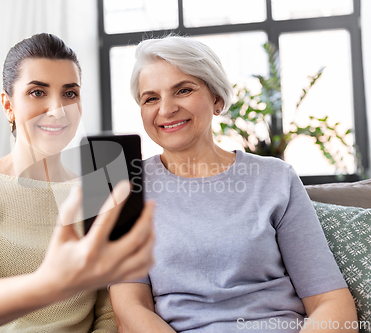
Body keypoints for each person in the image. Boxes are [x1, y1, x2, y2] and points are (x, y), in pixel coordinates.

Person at [109, 35, 358, 333]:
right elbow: (130, 308)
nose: (166, 109)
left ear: (216, 98)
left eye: (183, 90)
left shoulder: (276, 178)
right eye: (151, 98)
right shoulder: (125, 187)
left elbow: (329, 301)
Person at [0, 33, 155, 333]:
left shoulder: (95, 190)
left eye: (70, 93)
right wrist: (47, 284)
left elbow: (108, 315)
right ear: (8, 105)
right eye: (37, 92)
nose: (58, 109)